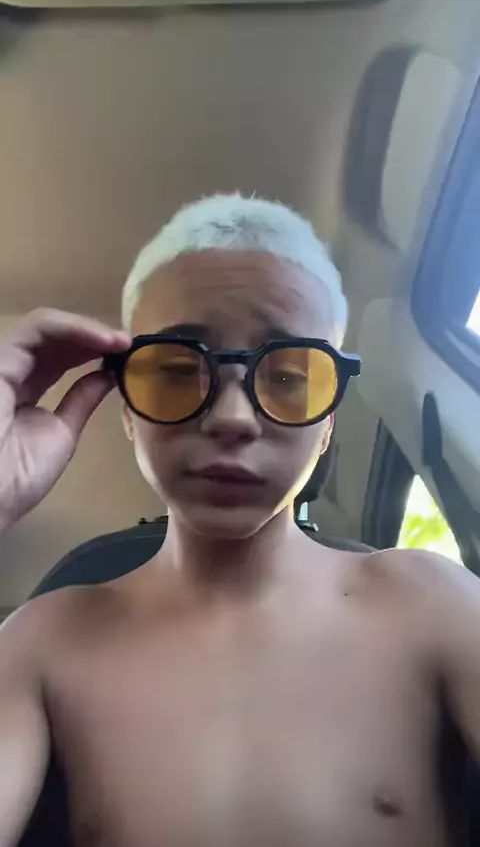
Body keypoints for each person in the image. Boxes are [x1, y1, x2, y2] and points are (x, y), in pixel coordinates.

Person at [0, 193, 478, 847]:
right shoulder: (41, 641)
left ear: (327, 422)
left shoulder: (436, 604)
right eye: (178, 370)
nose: (232, 418)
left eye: (287, 377)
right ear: (129, 408)